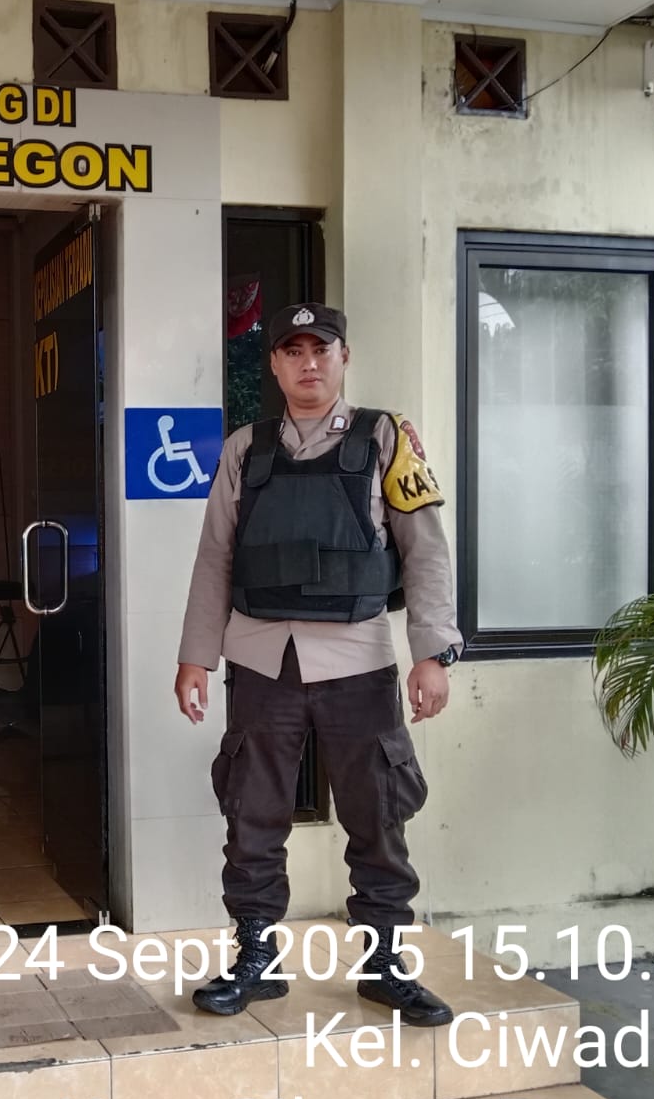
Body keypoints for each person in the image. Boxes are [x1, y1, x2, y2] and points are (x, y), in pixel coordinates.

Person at [175, 302, 461, 1026]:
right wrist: (195, 657)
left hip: (358, 661)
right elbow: (215, 557)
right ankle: (255, 958)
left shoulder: (386, 437)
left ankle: (385, 963)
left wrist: (432, 653)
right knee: (252, 812)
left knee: (377, 812)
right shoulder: (245, 449)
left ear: (343, 358)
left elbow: (426, 551)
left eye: (321, 349)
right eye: (293, 351)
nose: (308, 363)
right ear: (274, 364)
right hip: (260, 660)